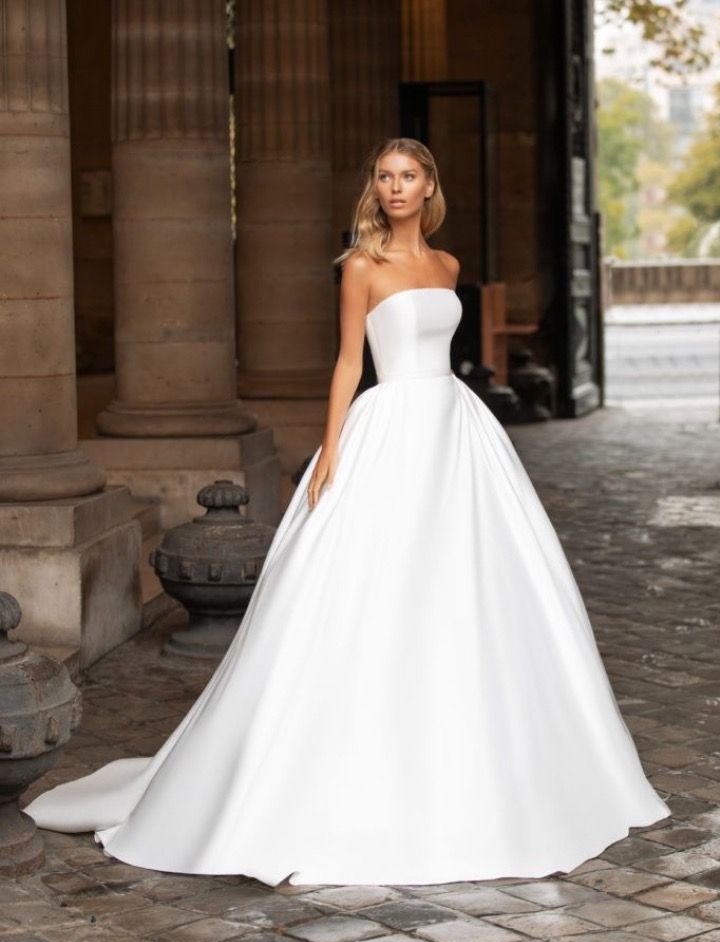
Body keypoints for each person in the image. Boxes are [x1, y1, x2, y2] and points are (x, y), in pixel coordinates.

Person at [22, 137, 671, 887]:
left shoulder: (450, 266)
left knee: (477, 584)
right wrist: (331, 449)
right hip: (388, 427)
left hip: (455, 433)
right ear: (378, 188)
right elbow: (348, 363)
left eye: (409, 177)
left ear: (430, 186)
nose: (396, 188)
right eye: (385, 178)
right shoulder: (361, 266)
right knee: (370, 582)